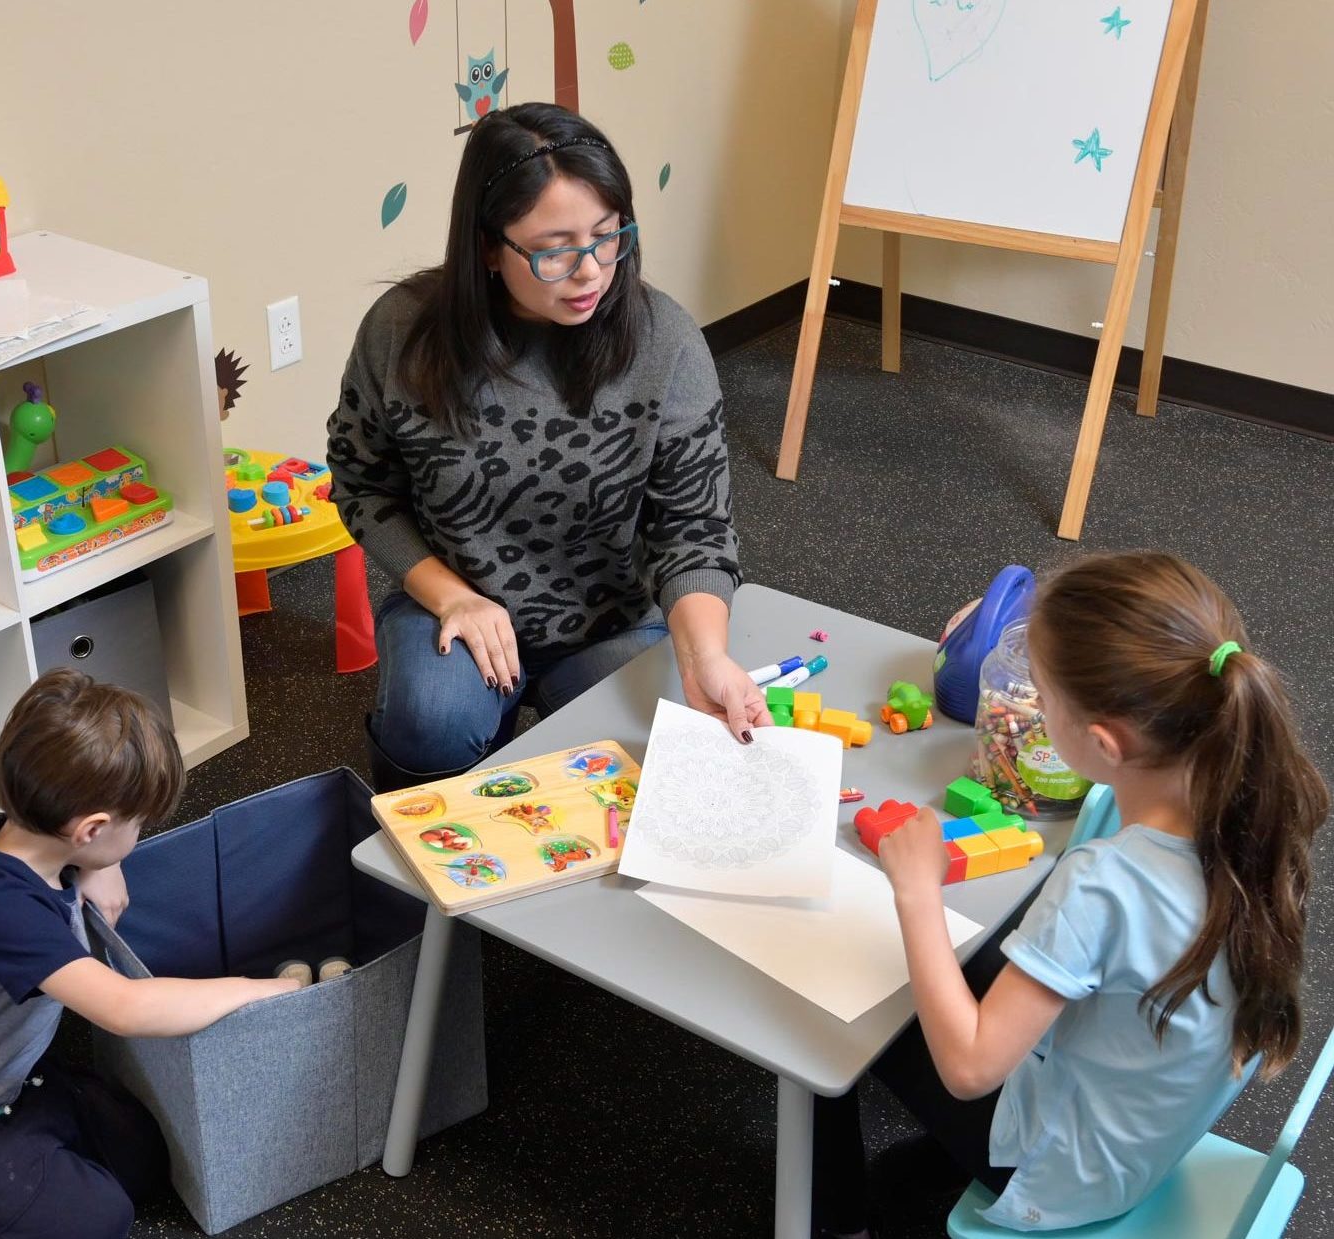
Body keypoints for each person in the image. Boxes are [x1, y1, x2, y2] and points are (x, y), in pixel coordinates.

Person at [816, 552, 1329, 1236]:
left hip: (1066, 1174)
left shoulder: (1104, 883)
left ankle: (832, 1217)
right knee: (972, 955)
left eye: (1041, 700)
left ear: (1100, 743)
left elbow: (969, 1067)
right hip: (1146, 1131)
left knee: (836, 1006)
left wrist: (914, 891)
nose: (1025, 711)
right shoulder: (1249, 802)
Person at [327, 102, 768, 789]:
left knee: (649, 766)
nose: (591, 270)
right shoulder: (401, 331)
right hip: (455, 598)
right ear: (487, 248)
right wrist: (450, 596)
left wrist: (704, 654)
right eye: (555, 248)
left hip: (612, 618)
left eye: (606, 235)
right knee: (429, 724)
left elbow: (693, 528)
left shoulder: (667, 342)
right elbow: (361, 483)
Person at [0, 670, 300, 1239]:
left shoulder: (21, 833)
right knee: (102, 1218)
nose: (141, 832)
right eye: (138, 823)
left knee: (142, 1161)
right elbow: (126, 1009)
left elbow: (82, 836)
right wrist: (258, 989)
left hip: (7, 1082)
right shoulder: (7, 913)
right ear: (89, 828)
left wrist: (102, 861)